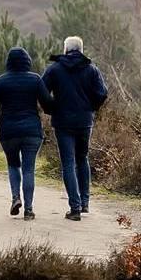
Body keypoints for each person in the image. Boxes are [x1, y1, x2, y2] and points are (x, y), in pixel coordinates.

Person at [41, 35, 110, 220]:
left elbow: (41, 92)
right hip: (84, 121)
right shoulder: (91, 69)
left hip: (63, 122)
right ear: (81, 49)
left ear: (65, 49)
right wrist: (91, 108)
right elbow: (102, 94)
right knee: (82, 159)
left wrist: (51, 108)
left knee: (68, 163)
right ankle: (85, 203)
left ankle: (75, 207)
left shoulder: (54, 69)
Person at [0, 47, 56, 220]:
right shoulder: (35, 79)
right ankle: (29, 209)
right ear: (27, 61)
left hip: (8, 132)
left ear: (9, 62)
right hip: (32, 131)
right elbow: (47, 105)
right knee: (28, 169)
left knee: (13, 165)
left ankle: (16, 197)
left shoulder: (1, 81)